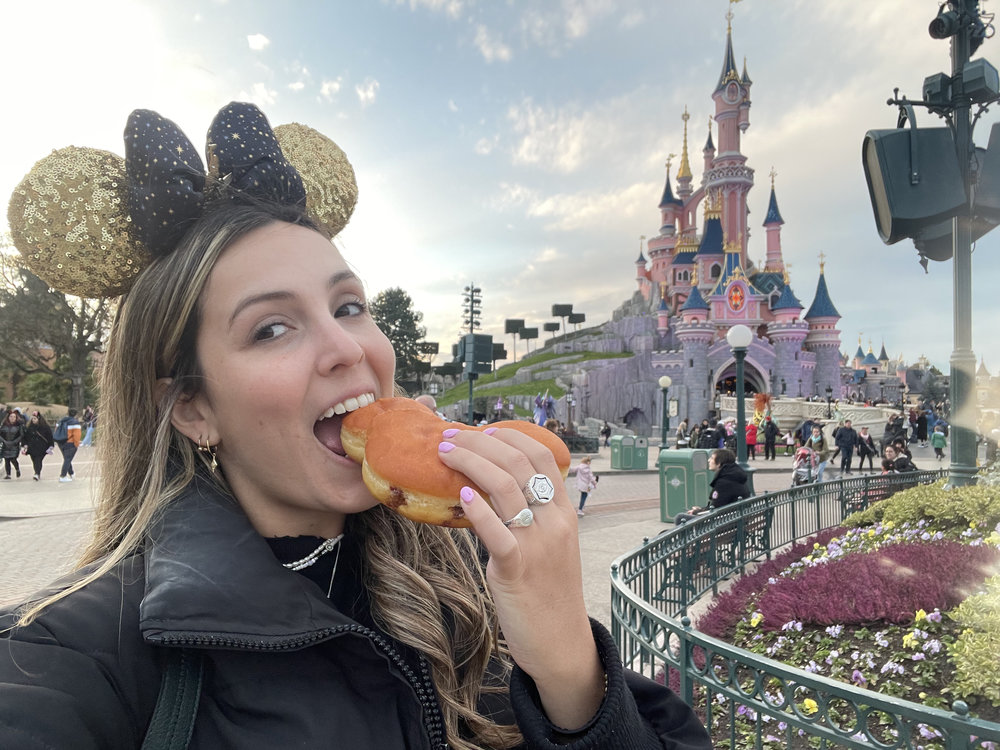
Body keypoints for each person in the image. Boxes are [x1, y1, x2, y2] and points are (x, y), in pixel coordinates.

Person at [0, 103, 710, 749]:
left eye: (347, 307)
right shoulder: (80, 654)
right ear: (193, 408)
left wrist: (566, 666)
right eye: (272, 328)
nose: (350, 349)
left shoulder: (468, 585)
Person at [673, 448, 749, 525]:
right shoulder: (734, 477)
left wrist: (696, 512)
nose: (709, 460)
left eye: (712, 458)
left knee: (680, 518)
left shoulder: (724, 482)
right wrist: (701, 509)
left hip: (723, 523)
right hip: (734, 519)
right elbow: (719, 505)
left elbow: (715, 510)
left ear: (719, 463)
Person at [22, 412, 55, 481]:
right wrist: (25, 445)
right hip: (32, 447)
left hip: (42, 447)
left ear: (39, 419)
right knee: (34, 460)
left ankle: (37, 473)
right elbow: (25, 437)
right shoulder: (29, 427)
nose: (33, 420)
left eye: (35, 419)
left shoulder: (45, 427)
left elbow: (50, 437)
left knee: (38, 460)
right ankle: (37, 472)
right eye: (32, 419)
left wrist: (51, 446)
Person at [53, 408, 82, 482]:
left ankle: (71, 473)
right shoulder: (75, 423)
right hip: (70, 443)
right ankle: (63, 476)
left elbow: (56, 430)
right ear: (75, 414)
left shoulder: (61, 421)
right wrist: (76, 444)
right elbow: (77, 436)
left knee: (67, 459)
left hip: (61, 442)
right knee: (68, 459)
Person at [1, 410, 25, 479]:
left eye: (14, 417)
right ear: (8, 417)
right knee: (6, 459)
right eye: (11, 416)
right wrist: (4, 441)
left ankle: (17, 469)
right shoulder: (4, 425)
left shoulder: (18, 426)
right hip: (6, 444)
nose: (12, 418)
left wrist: (15, 442)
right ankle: (8, 474)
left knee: (13, 459)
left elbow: (21, 435)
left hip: (14, 445)